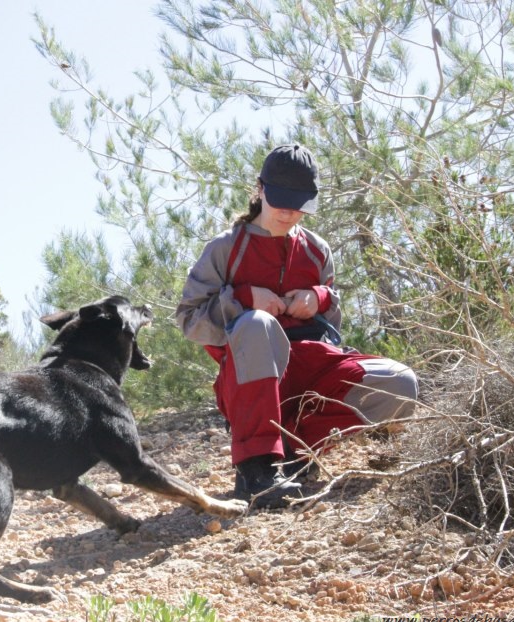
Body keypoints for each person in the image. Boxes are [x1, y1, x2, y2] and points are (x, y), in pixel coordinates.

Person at [175, 143, 418, 508]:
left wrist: (318, 299)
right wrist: (241, 299)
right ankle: (256, 469)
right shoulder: (225, 249)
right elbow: (189, 320)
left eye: (299, 205)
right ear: (259, 190)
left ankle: (292, 454)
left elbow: (333, 332)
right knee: (256, 323)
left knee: (401, 383)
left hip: (312, 373)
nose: (289, 214)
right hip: (250, 381)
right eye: (280, 202)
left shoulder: (317, 250)